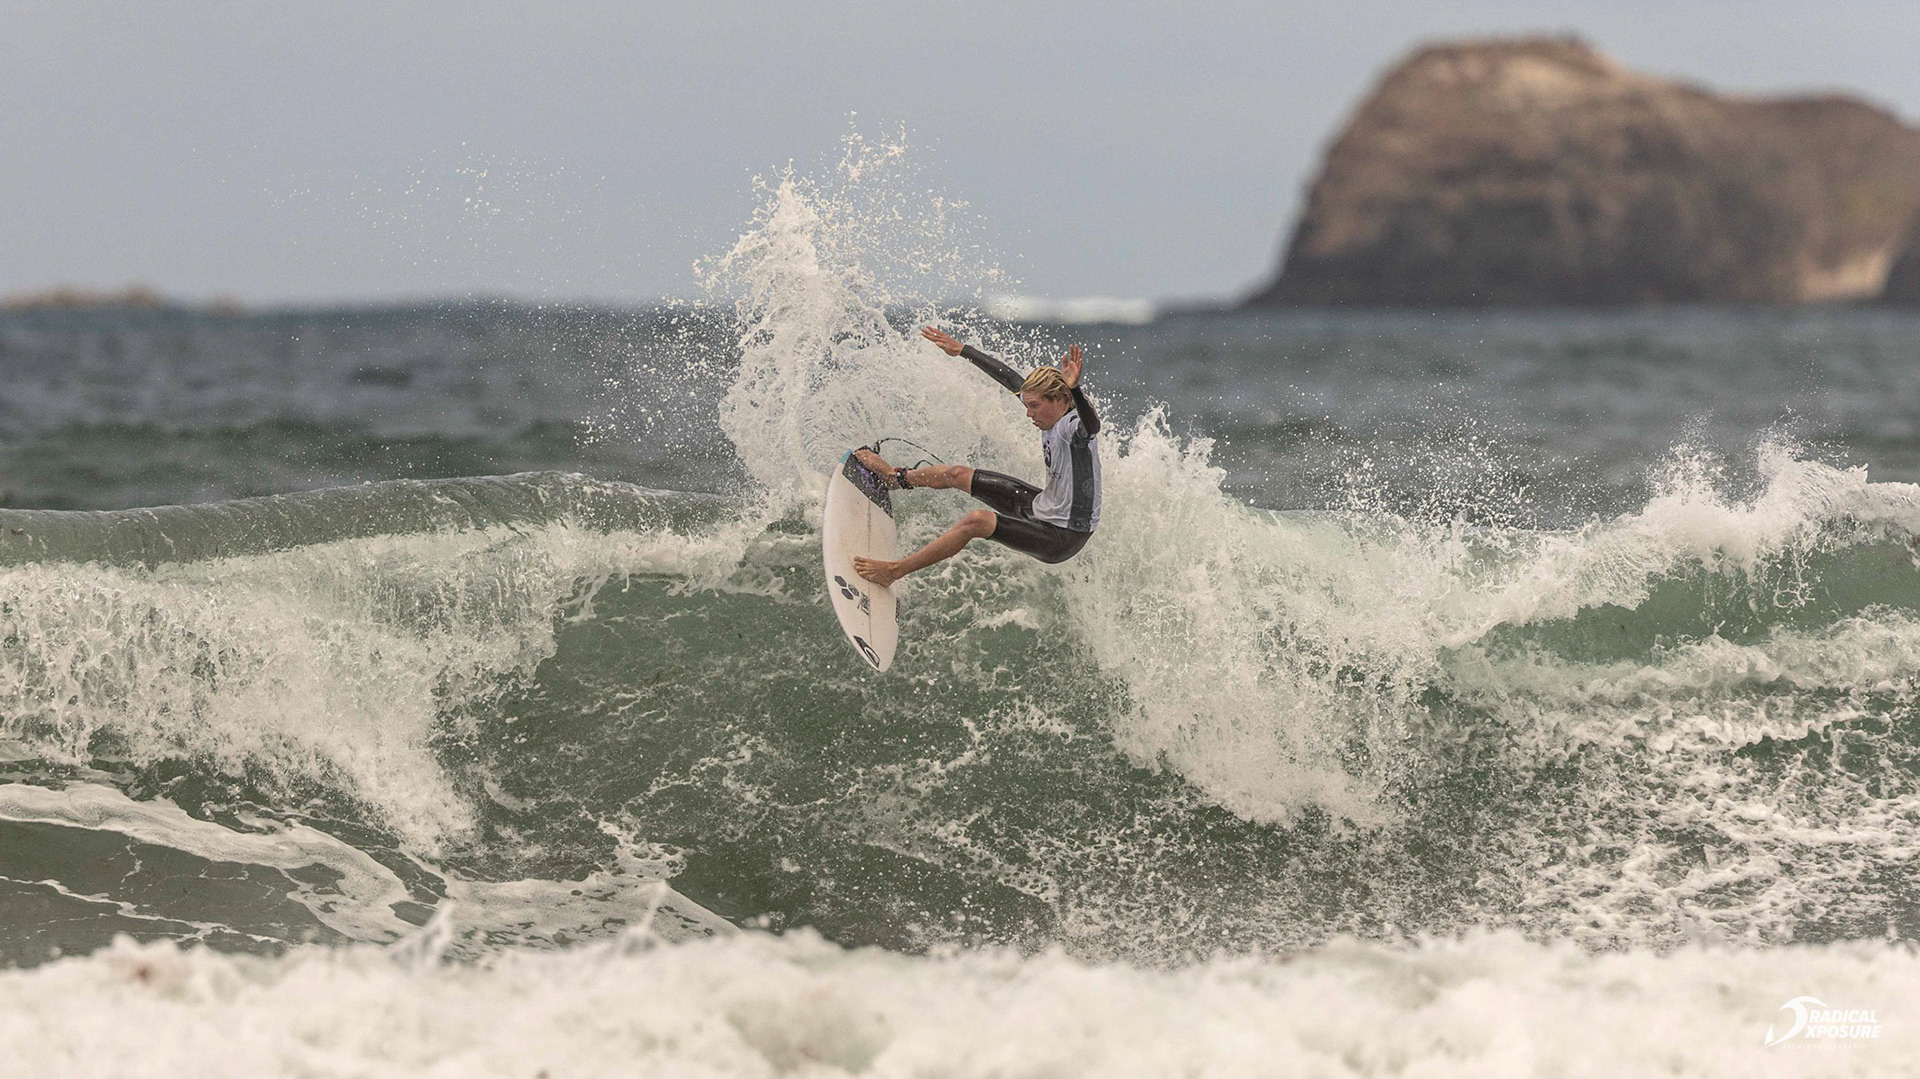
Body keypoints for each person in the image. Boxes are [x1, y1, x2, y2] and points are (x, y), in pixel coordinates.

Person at [852, 325, 1102, 586]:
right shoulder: (1048, 408)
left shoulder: (1074, 428)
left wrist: (1075, 389)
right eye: (1027, 405)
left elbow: (1092, 426)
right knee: (957, 474)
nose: (1029, 413)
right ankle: (894, 478)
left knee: (978, 521)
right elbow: (1010, 378)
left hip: (1062, 535)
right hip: (1043, 506)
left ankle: (893, 571)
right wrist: (962, 350)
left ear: (1059, 399)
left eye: (1034, 406)